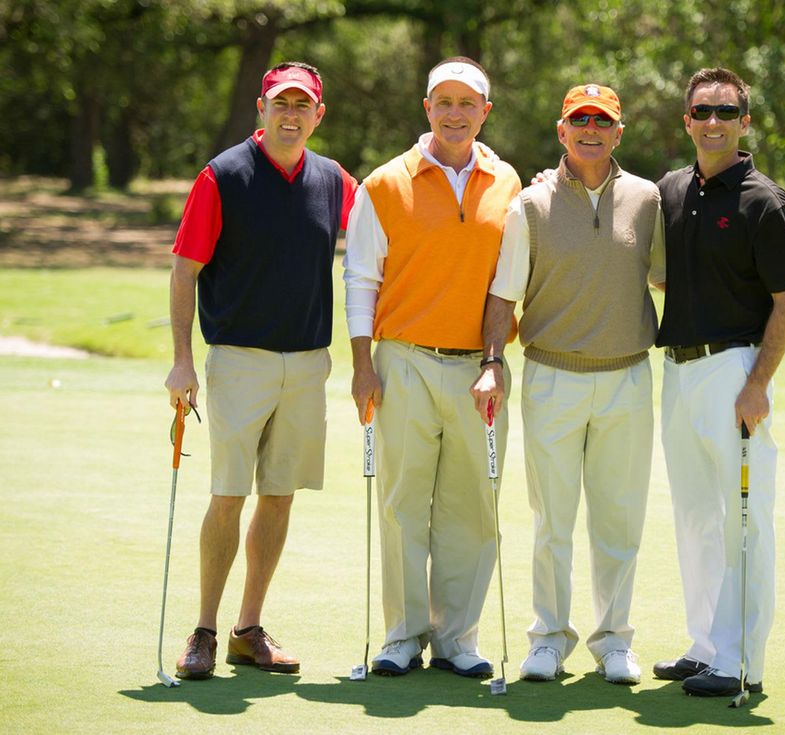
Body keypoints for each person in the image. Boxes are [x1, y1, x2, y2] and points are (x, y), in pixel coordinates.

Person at [165, 61, 357, 680]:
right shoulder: (222, 176)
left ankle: (249, 630)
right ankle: (204, 632)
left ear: (319, 115)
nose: (292, 115)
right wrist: (181, 360)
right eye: (282, 104)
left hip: (307, 365)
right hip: (238, 361)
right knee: (228, 494)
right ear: (262, 107)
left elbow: (387, 230)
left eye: (304, 106)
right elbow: (184, 270)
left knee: (278, 496)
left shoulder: (333, 180)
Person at [473, 84, 665, 685]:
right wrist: (491, 361)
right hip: (552, 376)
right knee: (552, 520)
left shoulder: (648, 198)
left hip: (627, 378)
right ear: (562, 131)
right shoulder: (529, 204)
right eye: (578, 120)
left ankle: (613, 641)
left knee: (618, 519)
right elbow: (504, 295)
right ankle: (549, 638)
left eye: (600, 121)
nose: (589, 130)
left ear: (618, 133)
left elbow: (668, 278)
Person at [342, 56, 521, 678]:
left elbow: (508, 284)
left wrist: (495, 361)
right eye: (443, 101)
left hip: (481, 368)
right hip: (403, 361)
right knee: (402, 501)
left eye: (466, 103)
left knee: (473, 505)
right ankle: (401, 635)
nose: (454, 113)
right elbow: (361, 279)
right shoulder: (385, 183)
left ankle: (457, 638)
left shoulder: (507, 182)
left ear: (484, 113)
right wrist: (363, 366)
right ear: (426, 109)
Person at [651, 67, 785, 697]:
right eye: (701, 111)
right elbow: (663, 272)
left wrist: (758, 382)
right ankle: (706, 646)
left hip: (733, 370)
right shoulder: (671, 189)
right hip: (678, 371)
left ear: (745, 122)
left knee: (743, 521)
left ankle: (742, 660)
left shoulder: (763, 200)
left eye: (725, 111)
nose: (712, 121)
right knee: (695, 518)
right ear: (686, 121)